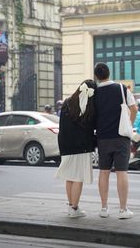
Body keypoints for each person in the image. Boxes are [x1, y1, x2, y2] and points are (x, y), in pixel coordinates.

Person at [94, 62, 138, 219]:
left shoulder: (95, 92)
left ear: (96, 76)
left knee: (103, 172)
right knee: (121, 172)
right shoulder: (121, 88)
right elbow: (134, 109)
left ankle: (104, 209)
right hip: (121, 137)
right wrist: (129, 125)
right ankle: (123, 209)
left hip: (102, 138)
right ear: (109, 73)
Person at [55, 79, 97, 218]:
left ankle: (71, 206)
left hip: (66, 145)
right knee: (78, 177)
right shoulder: (89, 107)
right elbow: (92, 127)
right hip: (81, 147)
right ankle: (74, 208)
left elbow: (62, 125)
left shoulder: (67, 102)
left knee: (70, 177)